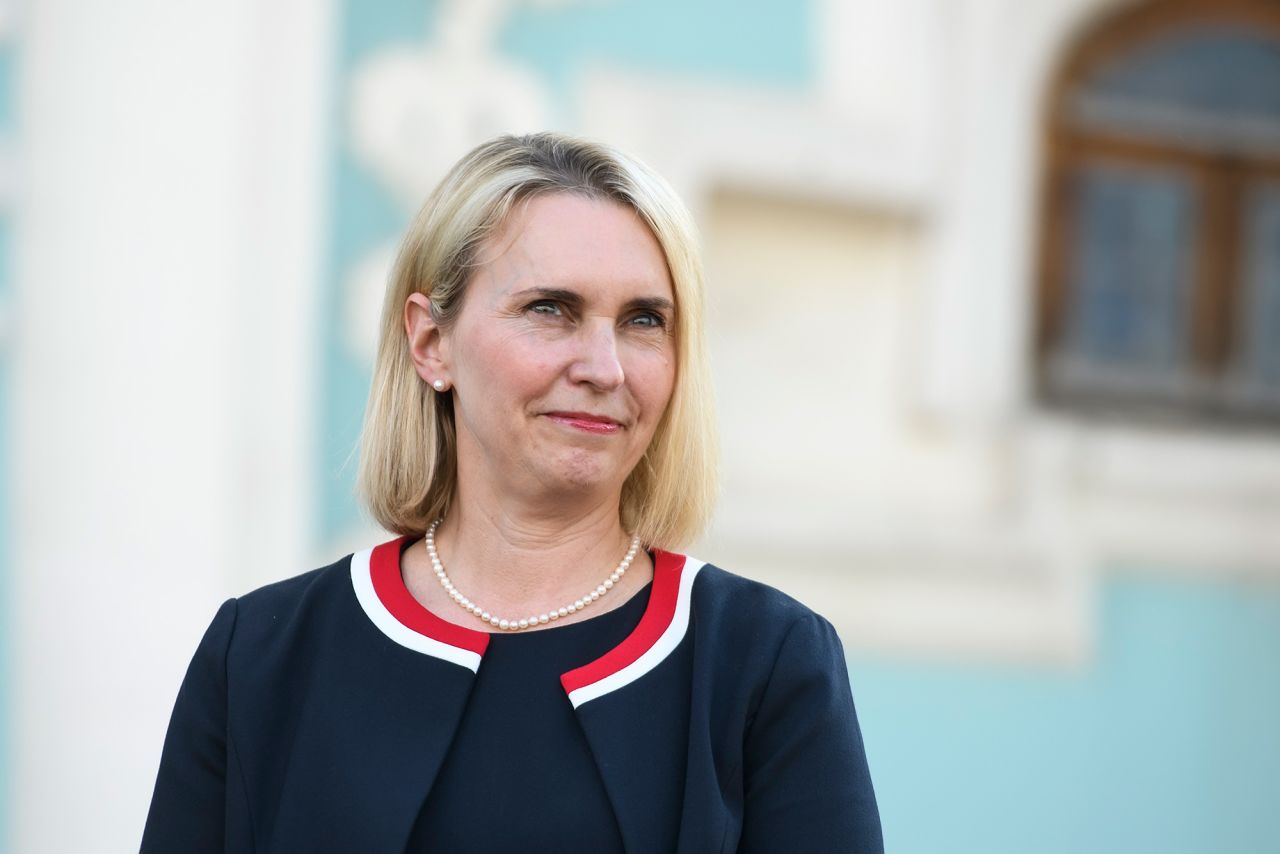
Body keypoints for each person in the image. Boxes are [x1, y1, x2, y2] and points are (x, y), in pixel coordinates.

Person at [142, 132, 883, 853]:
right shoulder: (261, 657)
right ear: (431, 342)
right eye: (550, 308)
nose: (605, 367)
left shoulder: (766, 662)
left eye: (643, 321)